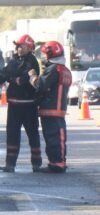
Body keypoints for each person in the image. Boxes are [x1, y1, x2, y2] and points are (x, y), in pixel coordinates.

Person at [0, 34, 42, 172]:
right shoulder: (13, 62)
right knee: (12, 135)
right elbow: (2, 77)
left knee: (33, 135)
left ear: (29, 48)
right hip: (14, 106)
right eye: (17, 46)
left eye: (22, 46)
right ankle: (10, 164)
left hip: (29, 106)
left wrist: (11, 78)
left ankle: (36, 163)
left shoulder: (32, 62)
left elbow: (22, 80)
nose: (18, 49)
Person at [29, 41, 72, 173]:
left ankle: (58, 163)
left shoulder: (54, 69)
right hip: (58, 109)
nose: (43, 57)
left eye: (45, 54)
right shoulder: (65, 70)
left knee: (54, 137)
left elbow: (41, 85)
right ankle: (55, 162)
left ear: (51, 54)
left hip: (51, 109)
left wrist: (32, 76)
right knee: (55, 137)